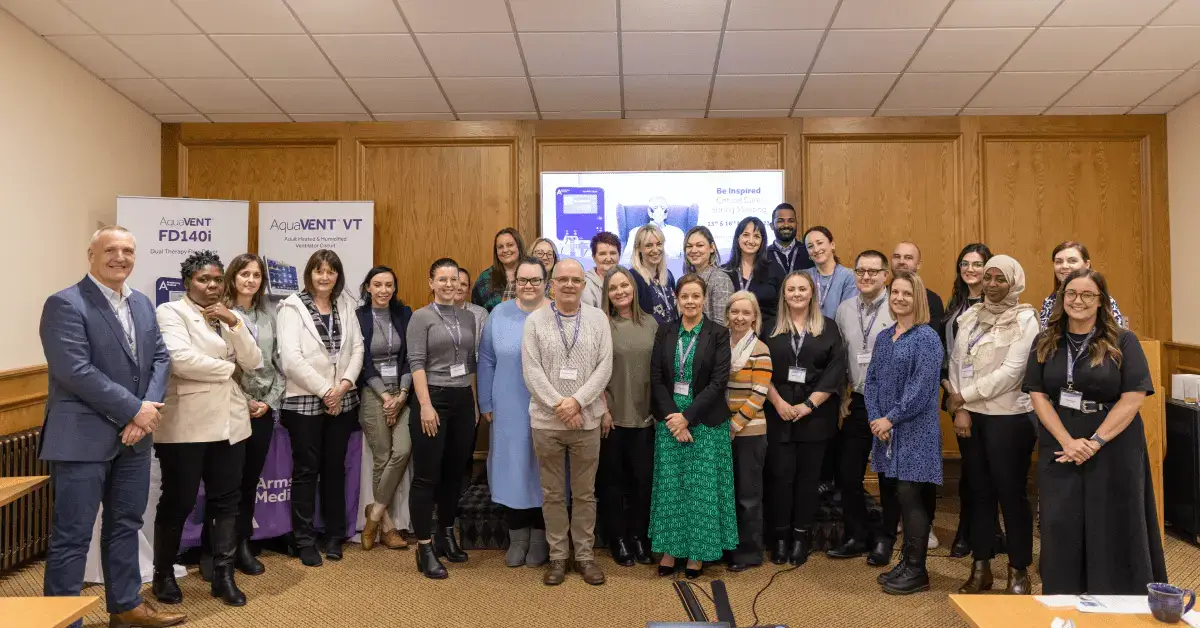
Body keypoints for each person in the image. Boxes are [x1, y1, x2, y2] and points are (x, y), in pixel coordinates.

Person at [39, 226, 183, 628]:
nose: (120, 257)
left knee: (126, 525)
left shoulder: (140, 303)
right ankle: (63, 620)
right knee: (73, 535)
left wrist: (145, 411)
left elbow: (160, 358)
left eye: (128, 251)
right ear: (91, 253)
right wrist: (133, 411)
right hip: (82, 438)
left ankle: (125, 606)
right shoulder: (65, 304)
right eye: (111, 250)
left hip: (134, 438)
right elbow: (74, 371)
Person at [1024, 268, 1166, 594]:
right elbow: (1037, 394)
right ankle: (1064, 596)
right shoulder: (1045, 340)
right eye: (1072, 293)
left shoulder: (1122, 340)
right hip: (1061, 443)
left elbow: (1133, 396)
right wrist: (1067, 442)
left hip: (1114, 442)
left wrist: (1096, 441)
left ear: (1100, 300)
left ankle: (1117, 599)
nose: (1079, 301)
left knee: (1112, 521)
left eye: (1088, 295)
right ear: (1062, 298)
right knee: (1061, 521)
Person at [152, 250, 262, 608]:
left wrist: (235, 324)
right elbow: (179, 360)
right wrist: (227, 368)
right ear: (188, 282)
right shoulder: (171, 312)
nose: (212, 285)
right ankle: (164, 574)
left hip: (230, 424)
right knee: (179, 500)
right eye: (203, 279)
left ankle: (223, 576)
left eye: (217, 279)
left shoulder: (229, 315)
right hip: (187, 424)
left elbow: (255, 360)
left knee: (227, 501)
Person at [946, 255, 1039, 595]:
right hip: (972, 418)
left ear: (1014, 281)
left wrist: (963, 396)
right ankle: (981, 567)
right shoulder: (970, 315)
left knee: (1011, 495)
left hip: (1010, 419)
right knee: (979, 495)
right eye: (988, 278)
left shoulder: (1026, 319)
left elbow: (1013, 373)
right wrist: (961, 408)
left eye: (1000, 279)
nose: (992, 285)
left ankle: (1018, 571)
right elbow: (957, 361)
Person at [522, 259, 614, 586]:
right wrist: (559, 404)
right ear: (552, 284)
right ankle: (558, 557)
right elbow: (531, 371)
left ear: (583, 284)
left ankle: (585, 556)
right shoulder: (535, 321)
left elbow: (604, 367)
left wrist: (577, 402)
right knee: (553, 494)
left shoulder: (598, 319)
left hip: (586, 422)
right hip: (547, 423)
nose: (570, 285)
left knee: (586, 494)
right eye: (563, 280)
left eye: (576, 279)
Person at [277, 249, 365, 567]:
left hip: (342, 399)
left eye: (330, 271)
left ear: (338, 275)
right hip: (303, 401)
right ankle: (304, 539)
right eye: (318, 270)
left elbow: (357, 348)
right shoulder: (291, 307)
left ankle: (334, 535)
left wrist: (342, 386)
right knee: (305, 471)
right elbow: (290, 358)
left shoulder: (346, 304)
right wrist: (325, 389)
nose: (324, 276)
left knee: (334, 469)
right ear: (309, 274)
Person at [649, 274, 735, 579]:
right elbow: (657, 379)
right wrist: (674, 418)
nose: (690, 301)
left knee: (701, 489)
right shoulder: (665, 331)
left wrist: (689, 418)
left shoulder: (718, 333)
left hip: (706, 422)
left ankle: (698, 554)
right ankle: (671, 550)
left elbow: (718, 382)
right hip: (670, 421)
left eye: (696, 296)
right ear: (676, 297)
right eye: (685, 296)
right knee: (673, 488)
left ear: (704, 298)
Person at [867, 271, 944, 595]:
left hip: (915, 431)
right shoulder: (885, 337)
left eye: (906, 294)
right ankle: (907, 560)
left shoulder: (926, 337)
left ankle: (917, 570)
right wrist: (876, 419)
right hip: (886, 431)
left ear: (917, 299)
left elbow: (921, 390)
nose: (899, 298)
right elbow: (870, 382)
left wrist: (890, 419)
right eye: (895, 292)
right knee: (899, 495)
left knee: (912, 498)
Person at [763, 271, 846, 566]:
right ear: (784, 295)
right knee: (780, 479)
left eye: (802, 289)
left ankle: (801, 537)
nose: (797, 294)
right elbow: (759, 370)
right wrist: (779, 402)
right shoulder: (770, 328)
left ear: (812, 294)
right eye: (791, 289)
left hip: (815, 417)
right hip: (778, 414)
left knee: (808, 480)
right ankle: (781, 538)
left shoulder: (829, 327)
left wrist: (808, 405)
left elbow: (835, 372)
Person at [214, 253, 285, 580]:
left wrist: (268, 402)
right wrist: (244, 402)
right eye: (244, 274)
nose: (251, 280)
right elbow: (220, 365)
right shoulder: (219, 315)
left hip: (263, 411)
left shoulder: (268, 317)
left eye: (256, 275)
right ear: (233, 277)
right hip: (232, 409)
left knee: (249, 483)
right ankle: (218, 550)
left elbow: (277, 366)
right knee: (228, 483)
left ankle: (242, 544)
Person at [409, 258, 478, 579]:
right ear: (431, 283)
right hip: (432, 399)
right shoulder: (420, 317)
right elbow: (416, 363)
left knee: (454, 474)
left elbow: (470, 363)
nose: (449, 285)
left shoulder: (467, 317)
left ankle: (445, 534)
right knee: (427, 476)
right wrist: (424, 405)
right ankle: (423, 547)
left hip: (463, 400)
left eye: (454, 279)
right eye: (443, 280)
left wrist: (475, 404)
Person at [478, 258, 550, 568]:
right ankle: (517, 536)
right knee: (512, 469)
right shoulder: (499, 314)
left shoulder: (555, 313)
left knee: (544, 471)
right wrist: (486, 402)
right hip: (507, 404)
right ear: (514, 283)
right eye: (523, 280)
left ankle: (540, 538)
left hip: (548, 406)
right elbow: (486, 359)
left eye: (535, 280)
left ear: (545, 282)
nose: (529, 285)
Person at [827, 251, 895, 564]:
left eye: (872, 272)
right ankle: (858, 534)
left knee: (887, 475)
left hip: (890, 404)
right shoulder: (843, 309)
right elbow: (840, 358)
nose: (865, 277)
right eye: (860, 272)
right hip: (856, 400)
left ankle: (885, 539)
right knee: (848, 473)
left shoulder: (897, 306)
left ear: (886, 275)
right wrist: (842, 396)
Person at [941, 243, 999, 559]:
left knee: (992, 469)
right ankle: (967, 530)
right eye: (965, 264)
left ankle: (991, 531)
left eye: (977, 264)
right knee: (972, 469)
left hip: (993, 401)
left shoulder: (1003, 307)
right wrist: (957, 400)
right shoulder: (955, 307)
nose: (971, 270)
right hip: (958, 399)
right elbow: (945, 358)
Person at [599, 266, 659, 567]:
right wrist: (603, 410)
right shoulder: (601, 325)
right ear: (606, 293)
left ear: (634, 289)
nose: (620, 292)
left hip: (645, 418)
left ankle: (638, 537)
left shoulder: (651, 324)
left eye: (625, 286)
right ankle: (618, 539)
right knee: (611, 484)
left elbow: (661, 371)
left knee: (642, 482)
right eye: (613, 288)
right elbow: (592, 371)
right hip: (611, 418)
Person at [355, 266, 413, 552]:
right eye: (377, 285)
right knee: (382, 457)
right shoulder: (359, 317)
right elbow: (362, 361)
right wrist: (384, 396)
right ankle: (387, 527)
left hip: (402, 394)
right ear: (368, 287)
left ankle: (373, 513)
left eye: (389, 285)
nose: (383, 290)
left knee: (402, 451)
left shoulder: (404, 314)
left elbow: (410, 357)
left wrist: (401, 395)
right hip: (372, 394)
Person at [724, 291, 773, 572]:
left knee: (747, 496)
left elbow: (759, 394)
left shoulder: (760, 350)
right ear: (728, 314)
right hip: (721, 432)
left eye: (746, 313)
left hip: (749, 433)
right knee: (726, 493)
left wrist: (734, 425)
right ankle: (728, 548)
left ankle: (749, 553)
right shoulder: (721, 345)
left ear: (754, 317)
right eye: (735, 312)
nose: (739, 318)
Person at [1038, 241, 1127, 329]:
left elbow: (1116, 338)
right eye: (1058, 262)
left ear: (1087, 264)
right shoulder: (1049, 302)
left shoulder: (1102, 300)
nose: (1064, 266)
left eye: (1072, 261)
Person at [724, 216, 782, 330]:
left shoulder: (775, 269)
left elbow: (783, 306)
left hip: (768, 334)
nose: (751, 241)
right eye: (746, 235)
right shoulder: (724, 272)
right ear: (737, 238)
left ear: (762, 241)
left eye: (756, 236)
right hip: (732, 335)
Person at [684, 225, 734, 326]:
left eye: (699, 245)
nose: (693, 250)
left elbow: (722, 325)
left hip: (711, 341)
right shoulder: (685, 280)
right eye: (689, 246)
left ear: (712, 248)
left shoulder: (720, 279)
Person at [803, 226, 857, 319]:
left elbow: (848, 314)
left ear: (832, 245)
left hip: (838, 331)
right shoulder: (803, 277)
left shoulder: (849, 276)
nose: (816, 249)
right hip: (807, 330)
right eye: (810, 246)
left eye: (819, 243)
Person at [630, 223, 678, 324]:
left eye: (659, 244)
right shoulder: (633, 278)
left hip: (671, 337)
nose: (655, 250)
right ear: (638, 248)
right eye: (649, 245)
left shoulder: (668, 275)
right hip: (649, 338)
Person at [891, 242, 945, 330]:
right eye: (897, 257)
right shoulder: (882, 293)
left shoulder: (931, 300)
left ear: (918, 264)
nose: (901, 261)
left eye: (908, 258)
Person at [620, 196, 686, 266]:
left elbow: (685, 259)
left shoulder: (677, 233)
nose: (659, 210)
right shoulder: (636, 232)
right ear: (649, 212)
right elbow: (625, 260)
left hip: (673, 270)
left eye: (662, 208)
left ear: (666, 213)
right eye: (655, 208)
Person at [472, 227, 526, 312]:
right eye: (500, 247)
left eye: (510, 245)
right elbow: (477, 312)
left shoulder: (532, 273)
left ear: (519, 247)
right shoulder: (485, 277)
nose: (505, 250)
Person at [764, 202, 813, 276]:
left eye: (791, 221)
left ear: (797, 224)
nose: (786, 225)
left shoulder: (808, 252)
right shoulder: (764, 256)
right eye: (780, 221)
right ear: (771, 226)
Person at [454, 268, 488, 355]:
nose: (459, 287)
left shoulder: (481, 314)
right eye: (455, 282)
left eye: (464, 284)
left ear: (469, 289)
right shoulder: (433, 313)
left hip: (473, 366)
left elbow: (485, 351)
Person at [583, 231, 621, 308]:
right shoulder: (585, 284)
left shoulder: (628, 279)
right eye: (602, 254)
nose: (608, 258)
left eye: (613, 253)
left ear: (619, 255)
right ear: (593, 257)